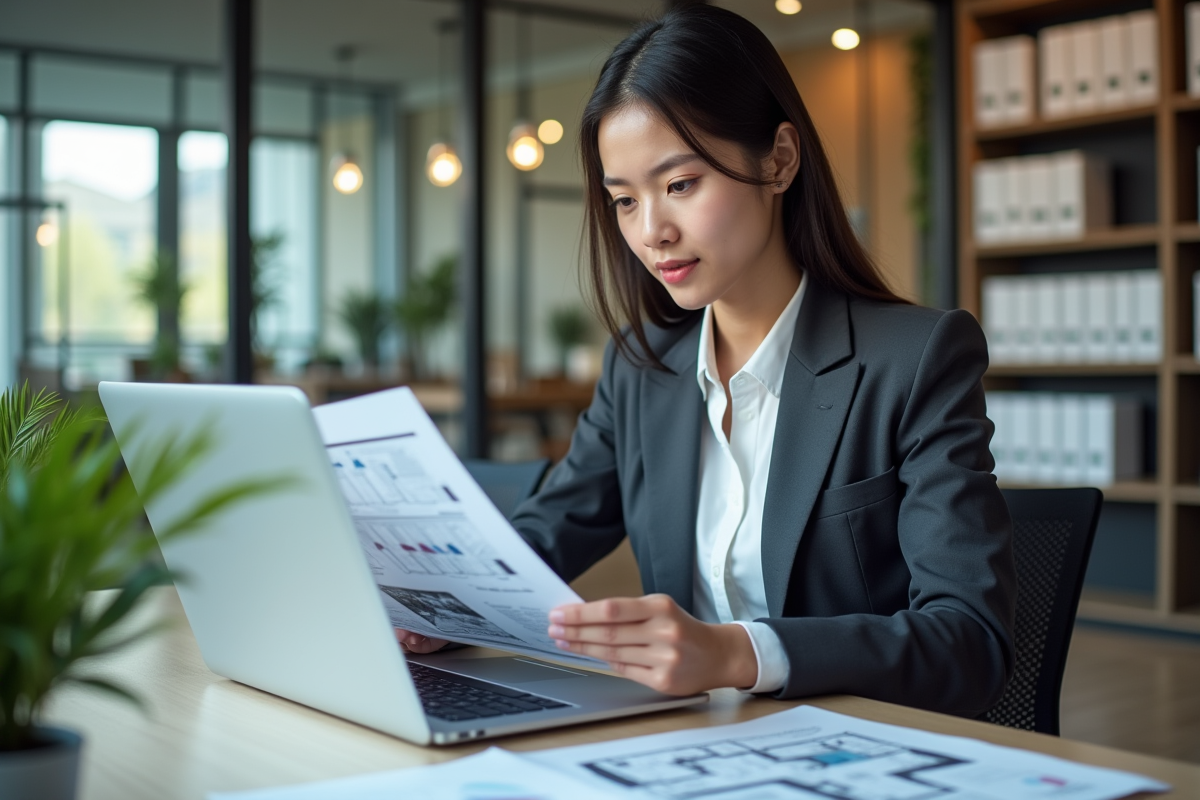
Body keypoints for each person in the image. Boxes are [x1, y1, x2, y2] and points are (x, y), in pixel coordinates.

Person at [397, 4, 1016, 717]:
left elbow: (970, 641)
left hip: (855, 747)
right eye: (624, 201)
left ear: (779, 160)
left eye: (681, 185)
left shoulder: (913, 360)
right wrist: (439, 609)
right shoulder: (643, 366)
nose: (652, 231)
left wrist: (736, 653)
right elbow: (549, 530)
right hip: (696, 748)